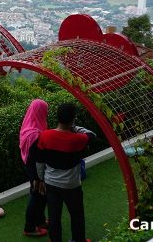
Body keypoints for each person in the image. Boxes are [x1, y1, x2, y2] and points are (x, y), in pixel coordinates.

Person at [36, 103, 95, 242]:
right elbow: (92, 135)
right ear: (73, 119)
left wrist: (41, 180)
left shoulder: (45, 135)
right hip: (71, 186)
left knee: (54, 217)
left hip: (50, 183)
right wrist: (75, 127)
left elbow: (39, 162)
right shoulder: (77, 139)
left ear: (57, 117)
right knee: (77, 215)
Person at [19, 99, 49, 237]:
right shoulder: (35, 134)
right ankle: (29, 227)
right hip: (36, 170)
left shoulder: (28, 127)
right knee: (36, 196)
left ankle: (40, 221)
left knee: (41, 196)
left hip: (32, 168)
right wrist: (39, 178)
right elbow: (37, 158)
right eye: (45, 111)